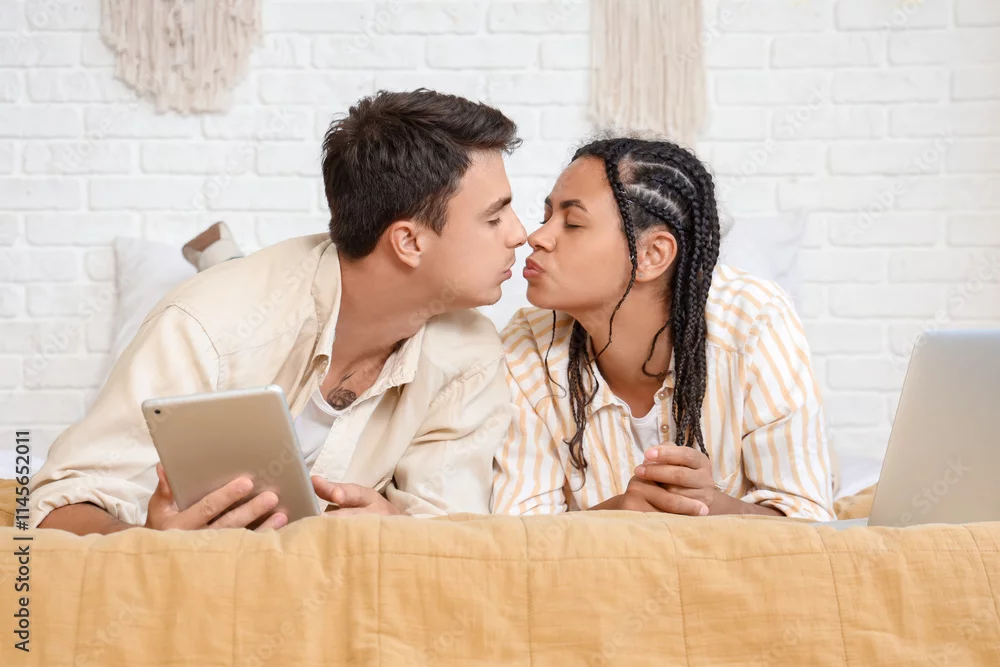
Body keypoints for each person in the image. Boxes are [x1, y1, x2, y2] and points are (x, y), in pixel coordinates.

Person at [31, 89, 527, 535]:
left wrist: (397, 529)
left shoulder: (470, 352)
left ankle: (220, 252)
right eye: (494, 217)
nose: (520, 234)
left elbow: (448, 530)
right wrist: (149, 545)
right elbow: (54, 506)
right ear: (409, 242)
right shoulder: (203, 326)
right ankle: (218, 256)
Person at [491, 137, 835, 520]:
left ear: (652, 255)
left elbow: (810, 524)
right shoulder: (526, 346)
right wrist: (619, 512)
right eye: (546, 218)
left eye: (572, 223)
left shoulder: (753, 320)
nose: (536, 237)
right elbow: (519, 533)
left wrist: (710, 505)